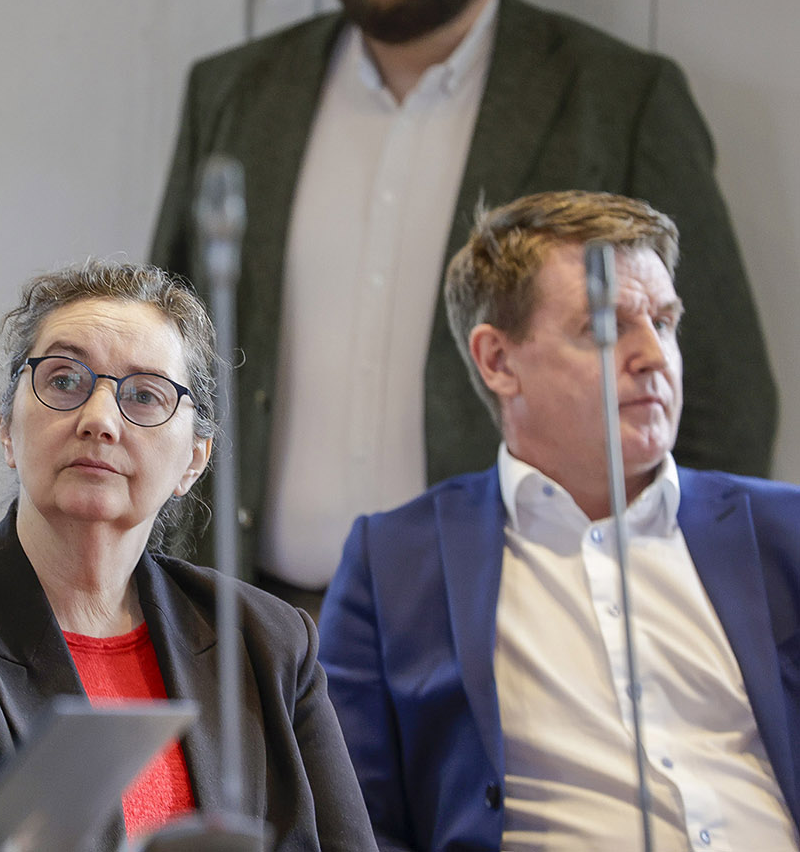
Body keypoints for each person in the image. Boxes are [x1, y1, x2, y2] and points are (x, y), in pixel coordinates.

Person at [150, 0, 776, 609]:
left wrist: (650, 608)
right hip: (251, 619)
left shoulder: (618, 101)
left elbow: (719, 402)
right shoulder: (236, 91)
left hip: (522, 622)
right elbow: (161, 357)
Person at [317, 190, 800, 851]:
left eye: (664, 322)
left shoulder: (782, 532)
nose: (655, 356)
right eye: (606, 327)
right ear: (498, 361)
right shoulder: (396, 563)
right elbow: (350, 823)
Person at [0, 261, 377, 851]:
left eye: (145, 395)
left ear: (194, 460)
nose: (99, 420)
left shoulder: (270, 643)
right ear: (6, 429)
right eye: (64, 381)